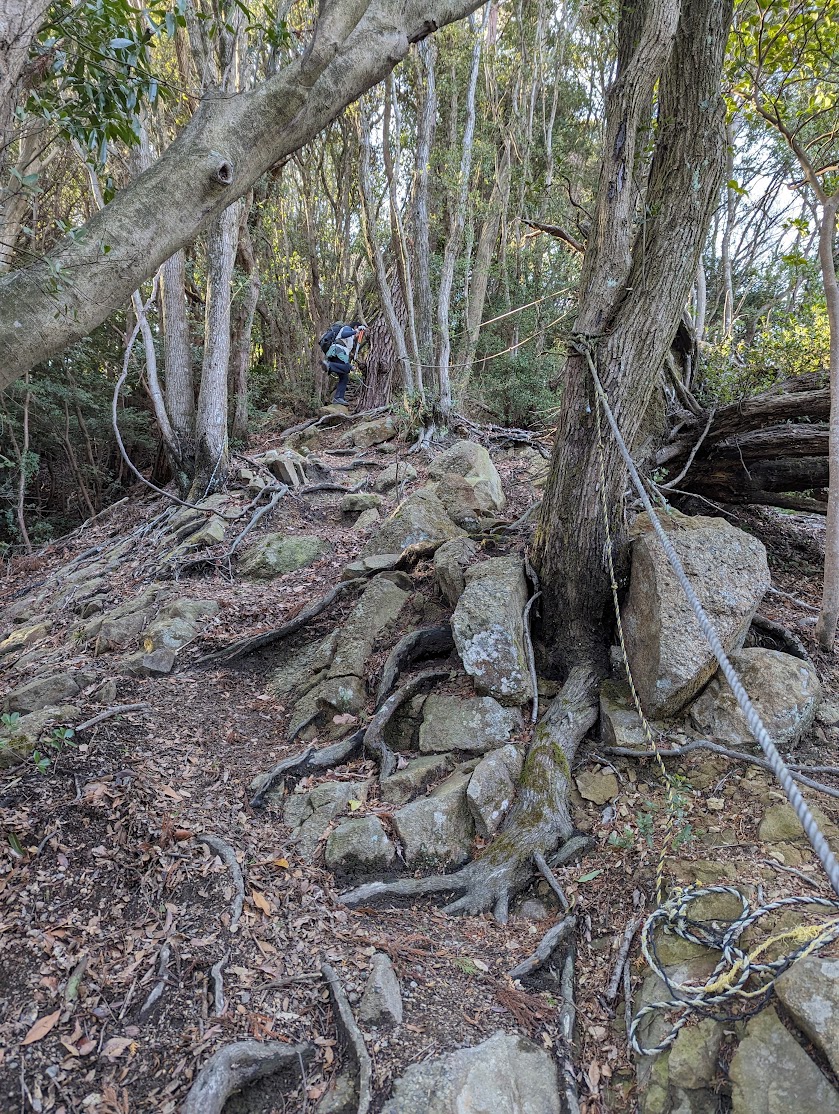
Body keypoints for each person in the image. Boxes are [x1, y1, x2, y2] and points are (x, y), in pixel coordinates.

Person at [323, 321, 365, 406]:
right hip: (338, 351)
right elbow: (344, 335)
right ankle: (329, 365)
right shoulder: (347, 328)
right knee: (347, 368)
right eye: (359, 330)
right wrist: (356, 331)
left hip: (340, 352)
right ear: (356, 326)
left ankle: (338, 398)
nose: (359, 333)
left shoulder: (351, 337)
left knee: (344, 377)